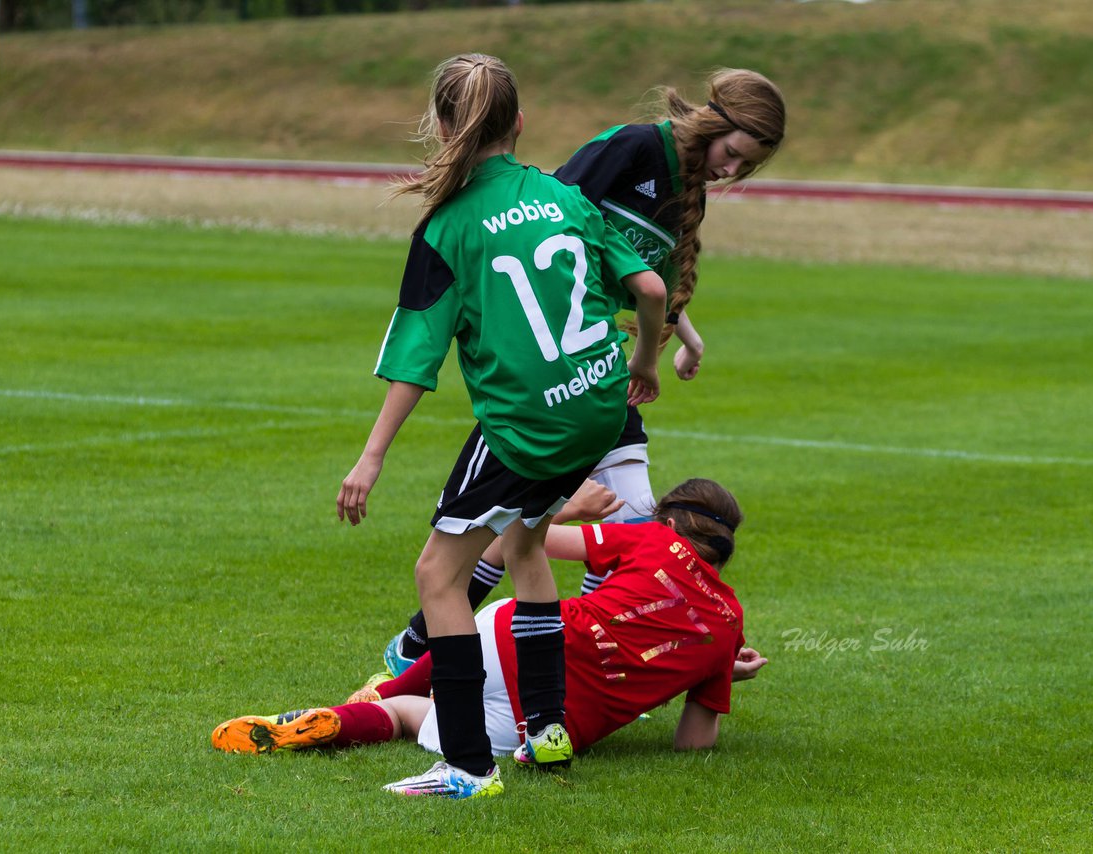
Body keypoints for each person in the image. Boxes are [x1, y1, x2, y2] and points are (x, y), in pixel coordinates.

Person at [333, 54, 668, 799]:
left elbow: (416, 359)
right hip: (601, 406)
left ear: (445, 126)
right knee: (523, 541)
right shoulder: (562, 195)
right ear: (519, 124)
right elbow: (649, 286)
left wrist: (371, 457)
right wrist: (644, 358)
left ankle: (466, 765)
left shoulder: (448, 227)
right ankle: (546, 730)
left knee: (437, 576)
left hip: (530, 425)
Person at [380, 68, 787, 677]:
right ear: (714, 124)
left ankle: (598, 660)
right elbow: (549, 221)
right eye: (731, 153)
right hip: (550, 370)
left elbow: (645, 275)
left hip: (592, 368)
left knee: (608, 521)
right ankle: (427, 649)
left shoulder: (688, 182)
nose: (730, 170)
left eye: (745, 166)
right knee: (537, 526)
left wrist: (687, 336)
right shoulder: (634, 148)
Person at [213, 479, 767, 772]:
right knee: (411, 718)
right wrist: (718, 671)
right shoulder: (731, 624)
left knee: (471, 644)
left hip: (521, 639)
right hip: (552, 727)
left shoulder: (655, 539)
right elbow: (692, 746)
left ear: (670, 523)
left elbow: (522, 542)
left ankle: (352, 704)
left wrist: (570, 507)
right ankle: (360, 713)